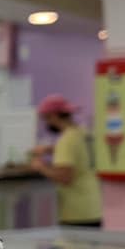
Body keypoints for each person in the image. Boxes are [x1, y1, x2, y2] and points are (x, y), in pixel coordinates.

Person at [30, 94, 102, 227]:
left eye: (46, 119)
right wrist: (49, 149)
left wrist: (41, 167)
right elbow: (78, 153)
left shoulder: (66, 140)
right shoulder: (84, 133)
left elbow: (65, 177)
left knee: (74, 248)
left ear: (53, 116)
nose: (47, 124)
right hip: (95, 207)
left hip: (77, 212)